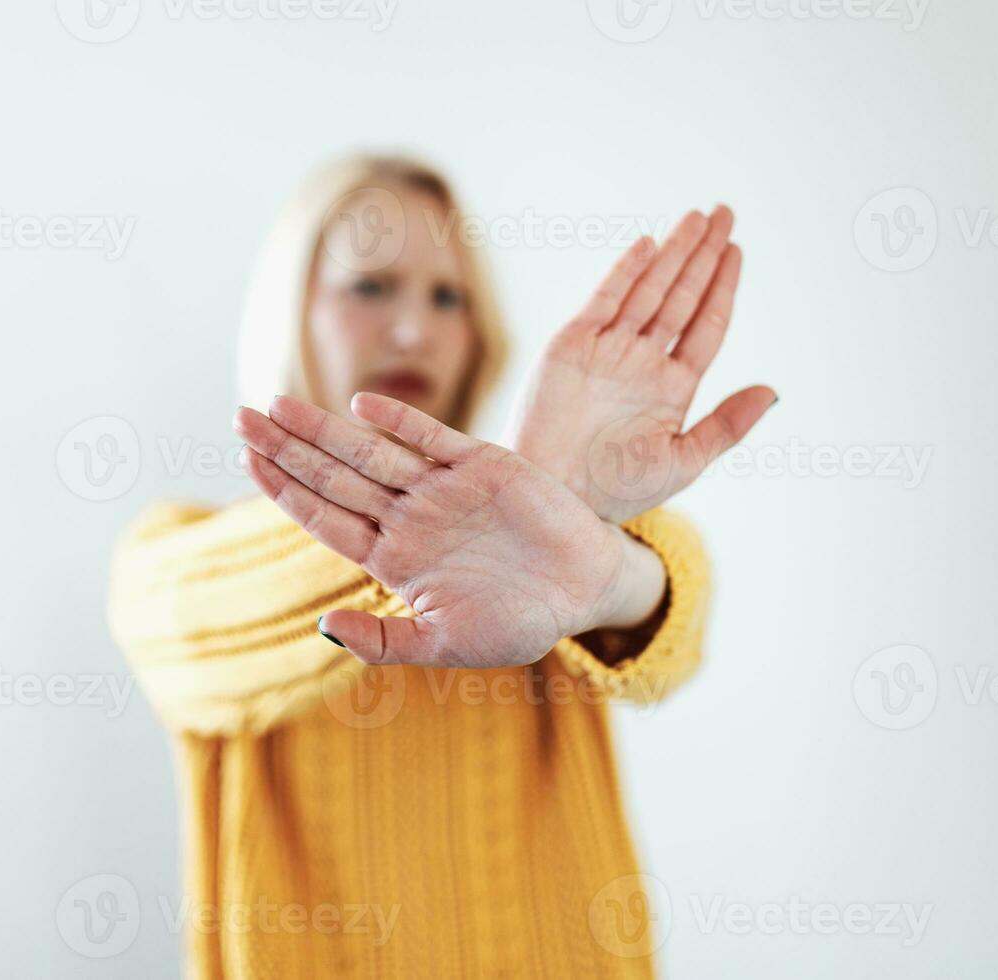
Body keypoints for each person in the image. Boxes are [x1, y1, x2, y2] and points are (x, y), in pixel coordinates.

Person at [108, 153, 776, 978]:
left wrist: (603, 573)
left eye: (447, 297)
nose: (414, 330)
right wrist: (499, 509)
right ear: (291, 308)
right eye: (370, 287)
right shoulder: (178, 555)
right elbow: (194, 625)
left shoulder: (550, 524)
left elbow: (677, 610)